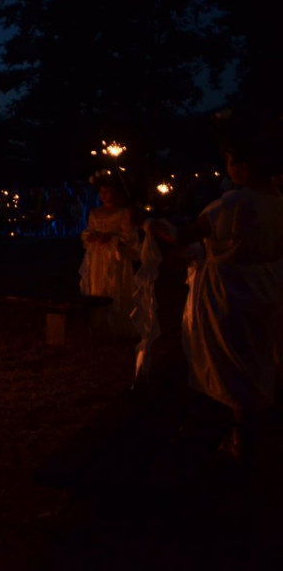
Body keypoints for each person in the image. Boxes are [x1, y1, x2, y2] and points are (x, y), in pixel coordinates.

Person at [153, 111, 283, 468]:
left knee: (234, 360)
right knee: (257, 355)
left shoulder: (233, 204)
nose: (227, 166)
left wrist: (159, 228)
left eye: (230, 159)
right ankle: (251, 431)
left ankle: (243, 439)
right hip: (266, 285)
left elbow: (184, 235)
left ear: (244, 164)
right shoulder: (277, 200)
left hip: (229, 292)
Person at [79, 172, 140, 338]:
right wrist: (91, 237)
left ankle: (115, 325)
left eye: (108, 191)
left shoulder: (123, 213)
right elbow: (89, 231)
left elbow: (130, 238)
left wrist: (113, 239)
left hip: (114, 258)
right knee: (97, 286)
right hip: (97, 258)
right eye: (102, 191)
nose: (104, 195)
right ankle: (98, 324)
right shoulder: (94, 213)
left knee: (114, 286)